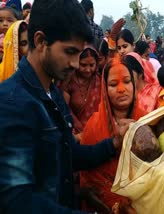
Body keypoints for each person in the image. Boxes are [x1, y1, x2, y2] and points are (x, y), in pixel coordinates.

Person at [0, 0, 131, 213]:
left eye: (79, 54)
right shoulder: (12, 103)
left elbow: (69, 155)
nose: (76, 64)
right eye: (69, 52)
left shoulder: (53, 94)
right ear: (41, 41)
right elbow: (16, 200)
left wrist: (114, 144)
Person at [80, 59, 146, 212]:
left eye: (127, 81)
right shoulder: (94, 126)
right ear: (104, 89)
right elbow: (88, 178)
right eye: (114, 84)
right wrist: (114, 203)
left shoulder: (147, 121)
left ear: (134, 85)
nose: (122, 89)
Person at [60, 46, 101, 141]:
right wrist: (80, 132)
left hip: (97, 133)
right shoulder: (69, 81)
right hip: (75, 134)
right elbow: (64, 109)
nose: (88, 70)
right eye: (83, 65)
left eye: (92, 65)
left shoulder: (100, 81)